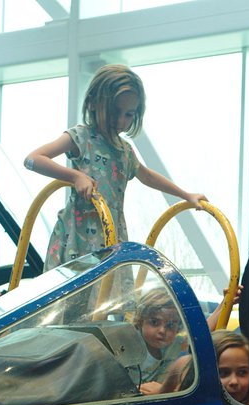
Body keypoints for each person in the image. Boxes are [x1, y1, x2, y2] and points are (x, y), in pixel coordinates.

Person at [24, 64, 206, 277]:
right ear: (93, 103)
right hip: (78, 236)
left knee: (104, 299)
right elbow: (33, 158)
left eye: (129, 114)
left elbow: (146, 175)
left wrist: (186, 195)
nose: (121, 121)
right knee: (72, 299)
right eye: (114, 112)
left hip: (110, 235)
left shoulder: (124, 150)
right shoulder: (82, 137)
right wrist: (76, 176)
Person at [133, 288, 188, 395]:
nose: (162, 331)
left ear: (178, 328)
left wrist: (224, 303)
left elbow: (203, 335)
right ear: (140, 320)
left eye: (170, 325)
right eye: (154, 322)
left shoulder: (177, 344)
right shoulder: (128, 345)